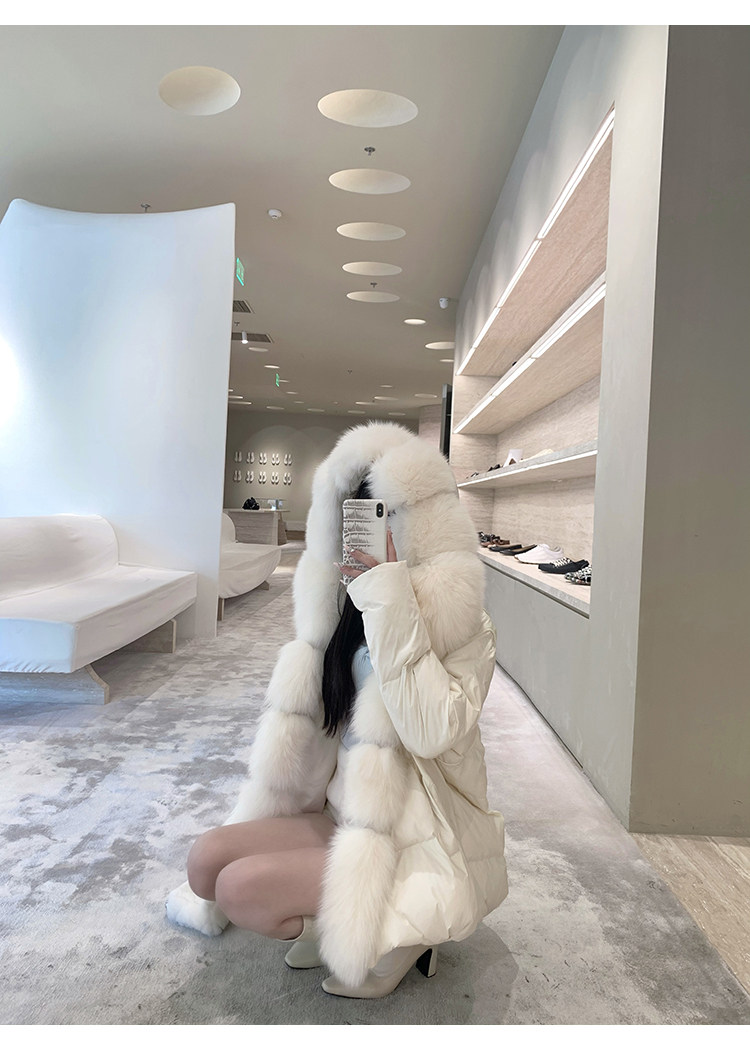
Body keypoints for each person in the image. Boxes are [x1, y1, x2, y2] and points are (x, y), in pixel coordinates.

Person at [166, 422, 507, 999]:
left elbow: (429, 731)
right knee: (205, 864)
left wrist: (389, 590)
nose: (372, 529)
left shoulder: (465, 626)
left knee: (244, 890)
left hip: (412, 830)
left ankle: (397, 937)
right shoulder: (341, 616)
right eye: (357, 514)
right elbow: (315, 737)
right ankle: (335, 916)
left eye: (387, 516)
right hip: (340, 810)